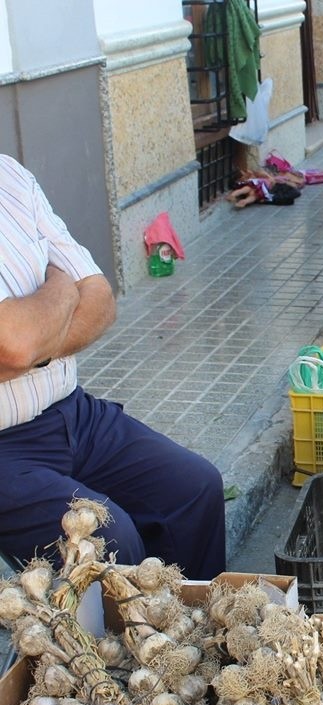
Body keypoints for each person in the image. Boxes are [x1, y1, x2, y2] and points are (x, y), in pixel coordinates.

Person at [0, 155, 226, 578]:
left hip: (74, 416)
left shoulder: (9, 176)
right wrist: (62, 286)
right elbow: (14, 345)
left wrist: (37, 343)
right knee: (109, 537)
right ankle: (123, 643)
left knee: (196, 488)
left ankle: (192, 636)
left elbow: (100, 300)